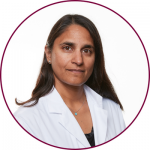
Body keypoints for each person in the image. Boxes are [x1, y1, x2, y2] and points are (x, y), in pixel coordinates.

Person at [14, 14, 126, 148]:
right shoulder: (26, 120)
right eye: (67, 48)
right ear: (48, 54)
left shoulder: (112, 109)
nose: (78, 60)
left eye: (86, 50)